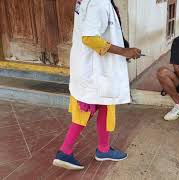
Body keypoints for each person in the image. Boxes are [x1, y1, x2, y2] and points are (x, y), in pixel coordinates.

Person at [52, 0, 141, 170]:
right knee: (87, 110)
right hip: (95, 69)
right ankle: (65, 151)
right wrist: (124, 51)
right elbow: (90, 37)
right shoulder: (98, 2)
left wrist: (124, 45)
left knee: (105, 106)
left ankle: (103, 149)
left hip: (93, 67)